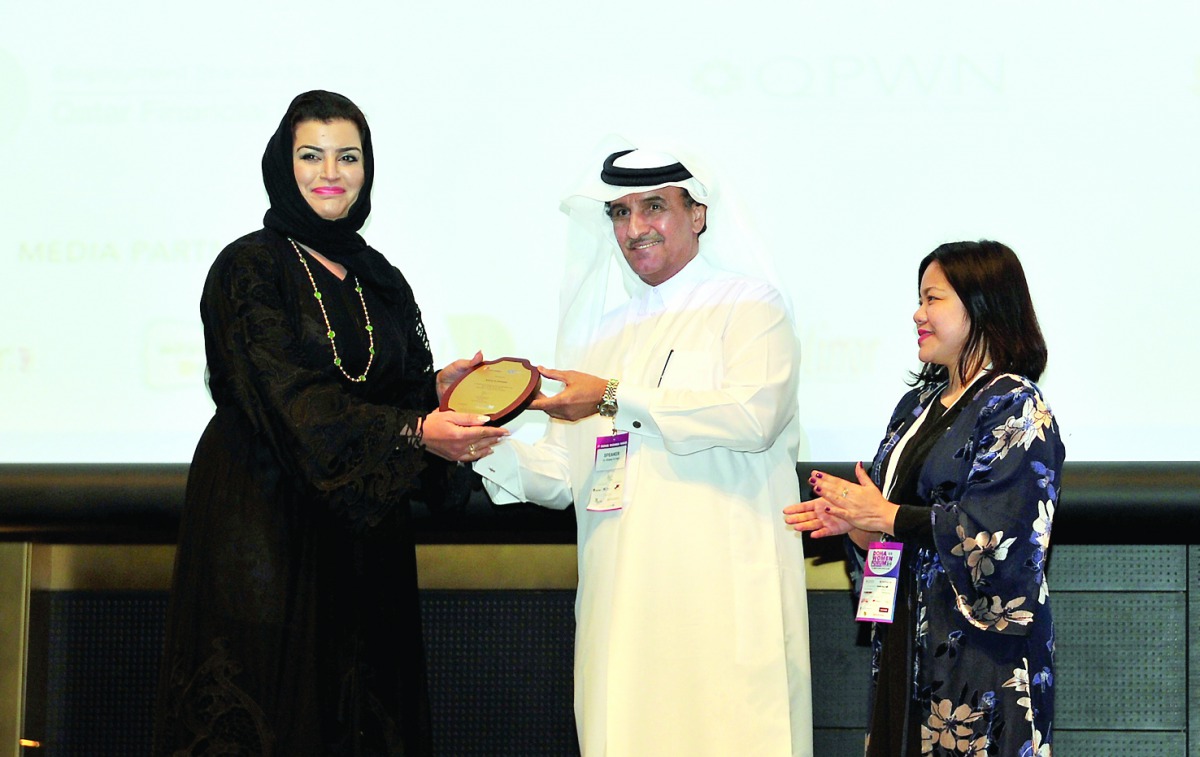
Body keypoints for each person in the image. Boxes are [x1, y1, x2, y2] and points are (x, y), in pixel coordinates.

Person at [153, 90, 507, 756]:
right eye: (311, 155)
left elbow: (383, 389)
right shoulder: (249, 266)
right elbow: (288, 398)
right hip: (265, 527)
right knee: (272, 712)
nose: (330, 173)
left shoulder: (379, 277)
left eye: (348, 156)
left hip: (362, 536)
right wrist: (413, 430)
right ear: (282, 165)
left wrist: (433, 394)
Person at [456, 145, 813, 755]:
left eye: (653, 207)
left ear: (698, 214)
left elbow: (753, 417)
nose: (634, 228)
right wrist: (480, 441)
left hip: (719, 597)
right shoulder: (602, 335)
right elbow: (563, 474)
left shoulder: (752, 306)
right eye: (619, 213)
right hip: (623, 605)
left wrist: (613, 397)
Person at [785, 240, 1064, 756]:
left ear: (981, 305)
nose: (918, 313)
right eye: (920, 299)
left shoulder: (1016, 406)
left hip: (981, 653)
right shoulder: (915, 406)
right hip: (905, 639)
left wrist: (888, 515)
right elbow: (894, 527)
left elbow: (999, 538)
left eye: (933, 299)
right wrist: (860, 525)